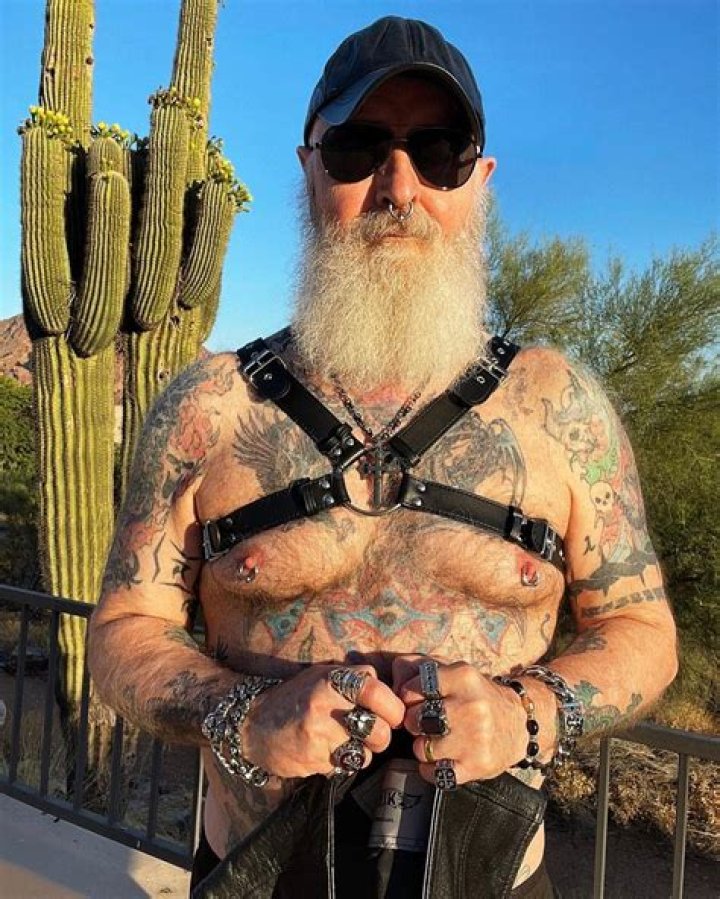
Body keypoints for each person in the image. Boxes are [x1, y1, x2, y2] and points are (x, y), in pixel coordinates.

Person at [88, 16, 678, 899]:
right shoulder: (209, 407)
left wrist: (526, 712)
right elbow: (123, 629)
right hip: (260, 876)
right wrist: (243, 714)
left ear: (480, 181)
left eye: (438, 152)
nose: (399, 188)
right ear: (308, 169)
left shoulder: (559, 407)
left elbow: (642, 631)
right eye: (358, 149)